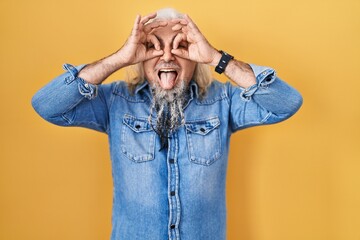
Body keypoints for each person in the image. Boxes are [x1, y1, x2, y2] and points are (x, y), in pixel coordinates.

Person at [32, 8, 302, 240]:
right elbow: (47, 105)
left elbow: (286, 102)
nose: (167, 56)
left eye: (180, 45)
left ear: (195, 56)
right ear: (139, 56)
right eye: (153, 46)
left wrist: (217, 59)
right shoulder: (114, 101)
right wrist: (118, 58)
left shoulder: (224, 101)